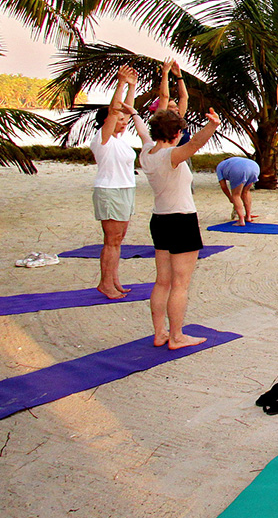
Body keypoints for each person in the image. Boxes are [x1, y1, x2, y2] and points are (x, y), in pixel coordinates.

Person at [129, 101, 221, 349]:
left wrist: (134, 111)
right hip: (181, 220)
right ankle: (176, 336)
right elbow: (194, 144)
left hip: (159, 219)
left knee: (162, 281)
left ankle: (160, 333)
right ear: (176, 134)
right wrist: (212, 125)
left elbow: (141, 130)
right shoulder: (171, 156)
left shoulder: (147, 152)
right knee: (180, 284)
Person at [90, 65, 139, 299]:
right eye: (119, 120)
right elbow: (114, 111)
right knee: (111, 241)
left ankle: (113, 279)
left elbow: (126, 111)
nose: (123, 122)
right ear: (108, 121)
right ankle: (104, 283)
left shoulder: (119, 139)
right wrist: (119, 84)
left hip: (125, 189)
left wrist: (132, 86)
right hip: (110, 190)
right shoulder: (103, 139)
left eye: (123, 120)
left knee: (118, 240)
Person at [150, 57, 191, 145]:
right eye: (172, 107)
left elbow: (184, 97)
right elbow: (164, 96)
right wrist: (165, 73)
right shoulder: (161, 121)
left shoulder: (178, 120)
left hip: (181, 157)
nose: (176, 109)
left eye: (176, 106)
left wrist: (179, 76)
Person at [216, 157, 260, 225]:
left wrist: (230, 198)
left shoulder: (220, 166)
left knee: (236, 195)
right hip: (254, 167)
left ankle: (241, 220)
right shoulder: (234, 160)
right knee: (246, 192)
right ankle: (248, 217)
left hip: (238, 170)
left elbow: (223, 186)